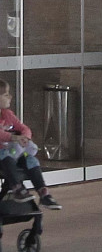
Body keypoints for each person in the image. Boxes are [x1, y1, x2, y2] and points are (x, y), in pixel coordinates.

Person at [0, 80, 62, 208]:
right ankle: (17, 188)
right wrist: (13, 137)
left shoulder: (7, 114)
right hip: (3, 155)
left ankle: (43, 193)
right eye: (6, 94)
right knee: (5, 154)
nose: (10, 97)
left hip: (12, 153)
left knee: (31, 159)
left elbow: (24, 128)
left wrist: (25, 138)